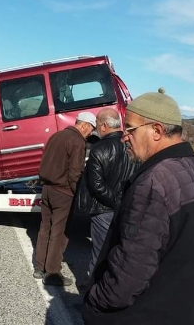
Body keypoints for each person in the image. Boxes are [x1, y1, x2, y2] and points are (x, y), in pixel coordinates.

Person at [83, 88, 194, 325]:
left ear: (157, 131)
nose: (124, 137)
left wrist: (94, 301)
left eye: (129, 129)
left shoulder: (154, 183)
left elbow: (127, 278)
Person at [34, 111, 96, 286]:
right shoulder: (77, 141)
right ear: (83, 125)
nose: (91, 133)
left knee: (45, 228)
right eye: (91, 129)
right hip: (63, 193)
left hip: (46, 189)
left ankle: (39, 267)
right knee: (59, 233)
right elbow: (75, 173)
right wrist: (79, 196)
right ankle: (52, 273)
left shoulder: (56, 135)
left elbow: (45, 161)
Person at [76, 108, 138, 276]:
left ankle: (93, 291)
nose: (96, 128)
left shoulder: (99, 148)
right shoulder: (132, 145)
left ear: (103, 126)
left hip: (103, 209)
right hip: (127, 207)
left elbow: (96, 185)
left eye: (96, 125)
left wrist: (115, 202)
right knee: (118, 251)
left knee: (99, 253)